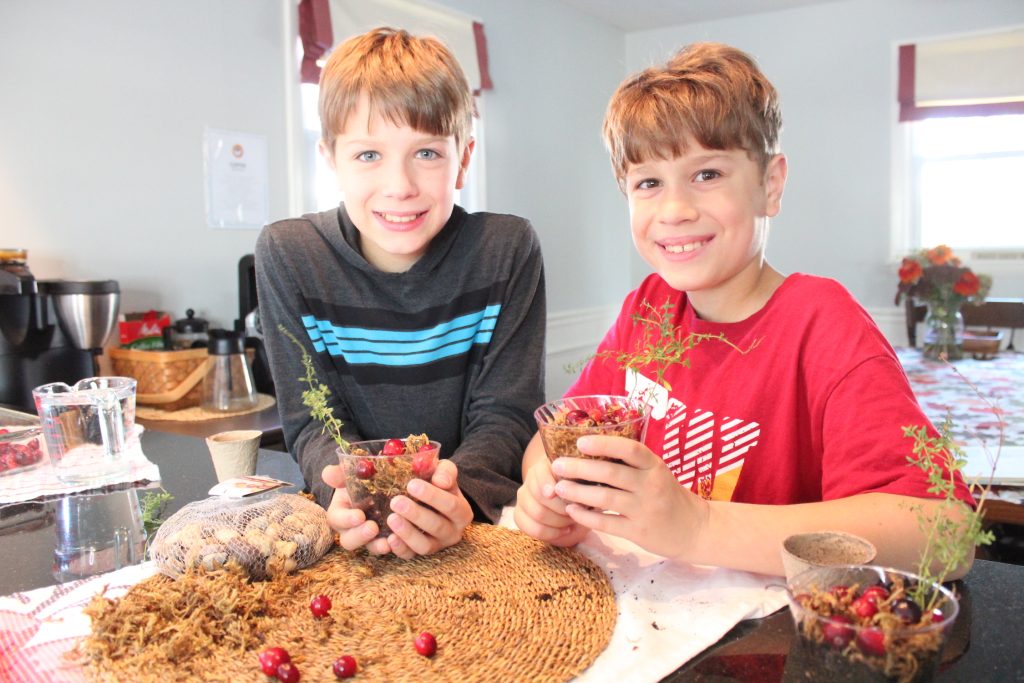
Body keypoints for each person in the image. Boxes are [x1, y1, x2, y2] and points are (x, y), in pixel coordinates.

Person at [514, 42, 973, 578]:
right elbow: (549, 446)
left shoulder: (823, 326)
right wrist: (550, 492)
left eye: (707, 174)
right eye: (648, 183)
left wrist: (699, 527)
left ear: (769, 185)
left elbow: (946, 535)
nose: (676, 210)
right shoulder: (647, 310)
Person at [257, 27, 545, 560]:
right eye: (368, 155)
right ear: (330, 159)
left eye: (427, 154)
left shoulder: (505, 249)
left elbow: (505, 414)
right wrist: (341, 491)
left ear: (463, 159)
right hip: (354, 529)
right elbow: (312, 420)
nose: (400, 185)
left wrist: (452, 495)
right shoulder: (289, 254)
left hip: (474, 525)